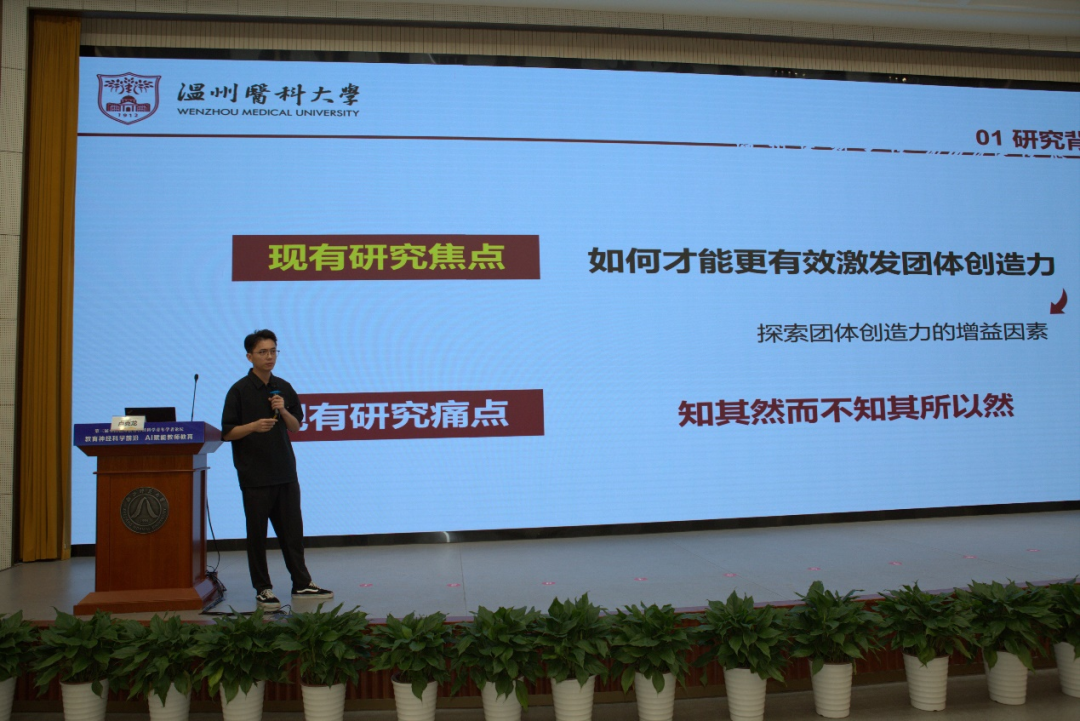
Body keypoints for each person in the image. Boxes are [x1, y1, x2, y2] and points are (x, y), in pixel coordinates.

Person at [220, 329, 332, 610]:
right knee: (257, 535)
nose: (269, 357)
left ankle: (302, 583)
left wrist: (283, 410)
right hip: (255, 475)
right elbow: (227, 432)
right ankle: (263, 588)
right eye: (263, 352)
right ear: (249, 356)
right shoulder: (239, 390)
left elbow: (296, 426)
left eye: (273, 351)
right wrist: (253, 427)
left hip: (284, 471)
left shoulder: (283, 387)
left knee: (292, 532)